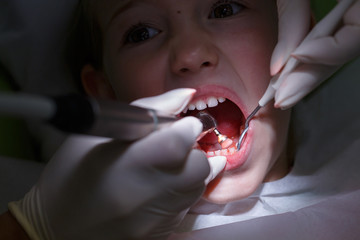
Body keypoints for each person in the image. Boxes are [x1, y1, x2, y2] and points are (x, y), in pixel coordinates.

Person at [1, 0, 359, 239]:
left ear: (297, 34)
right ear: (105, 91)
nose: (190, 54)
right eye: (141, 33)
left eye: (225, 8)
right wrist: (35, 229)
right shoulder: (62, 210)